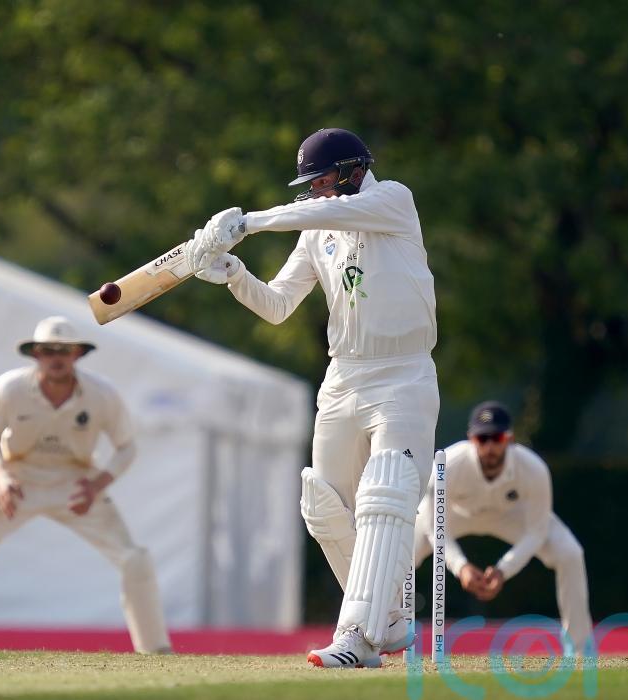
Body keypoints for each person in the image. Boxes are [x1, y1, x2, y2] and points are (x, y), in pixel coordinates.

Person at [189, 128, 438, 667]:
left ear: (353, 171)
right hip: (344, 375)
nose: (317, 191)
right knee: (323, 506)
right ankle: (389, 618)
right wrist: (233, 273)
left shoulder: (393, 200)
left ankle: (357, 638)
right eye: (312, 183)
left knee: (385, 493)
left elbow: (321, 212)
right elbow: (278, 306)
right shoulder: (316, 230)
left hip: (402, 374)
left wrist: (247, 223)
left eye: (323, 180)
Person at [0, 316, 171, 654]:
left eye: (64, 350)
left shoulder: (102, 394)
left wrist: (96, 485)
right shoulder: (10, 388)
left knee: (135, 559)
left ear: (77, 354)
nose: (56, 358)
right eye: (48, 350)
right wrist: (1, 476)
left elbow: (127, 446)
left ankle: (156, 652)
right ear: (35, 354)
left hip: (76, 483)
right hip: (18, 480)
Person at [415, 401, 592, 654]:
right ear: (471, 439)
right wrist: (460, 566)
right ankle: (376, 638)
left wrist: (503, 570)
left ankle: (579, 649)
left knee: (569, 553)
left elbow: (537, 531)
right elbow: (434, 527)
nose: (489, 447)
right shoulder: (448, 464)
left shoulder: (533, 468)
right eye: (482, 438)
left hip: (511, 516)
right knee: (402, 550)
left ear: (509, 439)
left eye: (496, 438)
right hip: (456, 515)